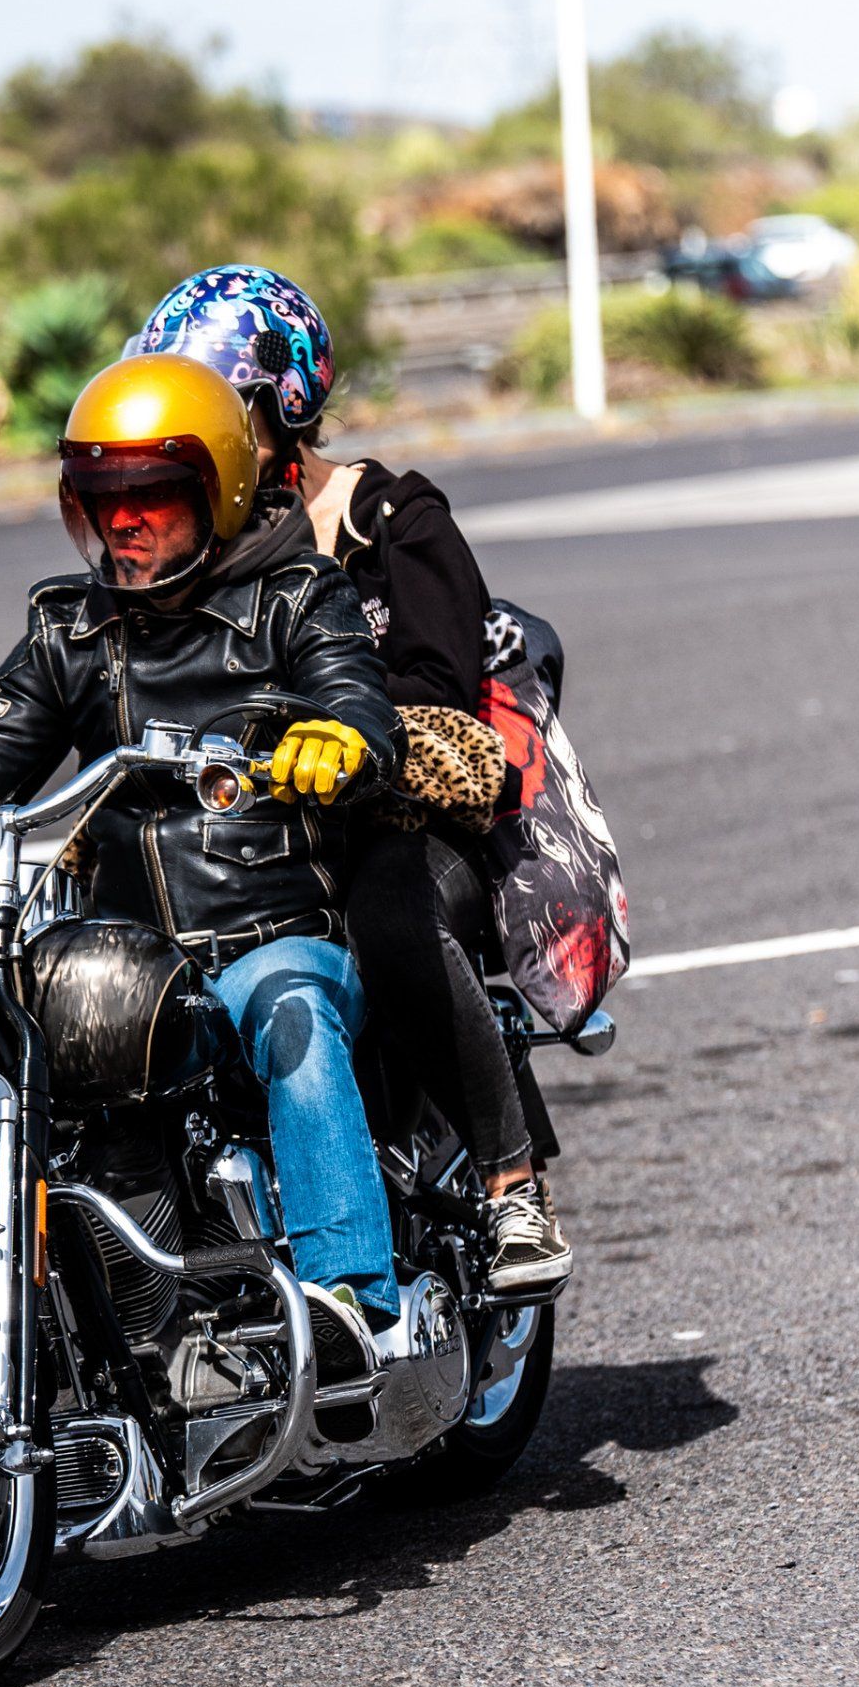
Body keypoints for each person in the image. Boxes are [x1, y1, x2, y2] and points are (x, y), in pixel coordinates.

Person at [0, 351, 407, 1385]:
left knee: (293, 1014)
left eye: (152, 494)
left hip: (267, 937)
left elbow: (356, 697)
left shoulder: (295, 598)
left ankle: (345, 1301)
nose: (127, 522)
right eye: (105, 499)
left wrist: (337, 741)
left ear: (221, 491)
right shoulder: (69, 629)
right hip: (129, 959)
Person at [126, 266, 571, 1291]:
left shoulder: (393, 519)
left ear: (279, 407)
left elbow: (436, 691)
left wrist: (336, 741)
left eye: (215, 409)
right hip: (241, 835)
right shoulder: (194, 543)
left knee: (386, 906)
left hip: (407, 823)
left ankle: (513, 1191)